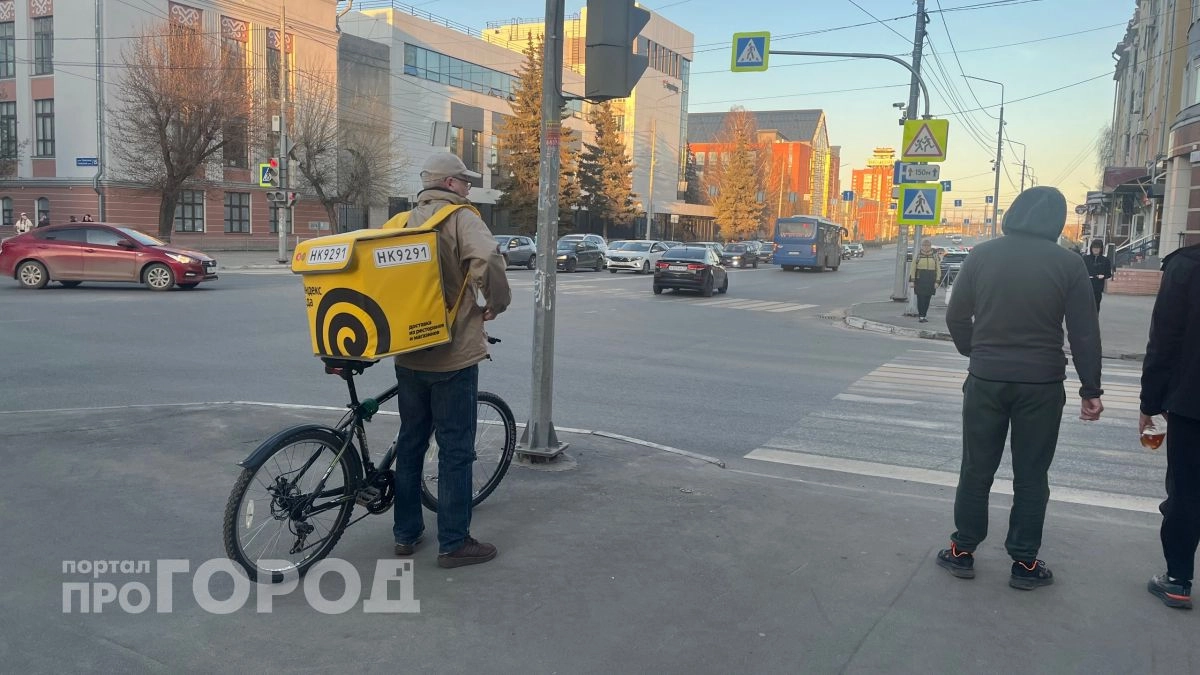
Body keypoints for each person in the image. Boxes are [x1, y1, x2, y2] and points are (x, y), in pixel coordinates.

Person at [937, 186, 1104, 590]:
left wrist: (975, 351)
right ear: (1056, 220)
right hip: (1042, 385)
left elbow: (957, 315)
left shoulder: (982, 255)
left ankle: (963, 551)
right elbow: (1084, 332)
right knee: (1031, 475)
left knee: (976, 468)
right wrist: (1090, 389)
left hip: (986, 380)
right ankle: (1024, 563)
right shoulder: (1069, 264)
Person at [391, 153, 511, 569]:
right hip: (452, 355)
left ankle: (405, 534)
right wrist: (496, 302)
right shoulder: (461, 219)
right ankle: (454, 542)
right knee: (456, 450)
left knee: (410, 442)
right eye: (464, 181)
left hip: (407, 352)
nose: (468, 188)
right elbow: (490, 260)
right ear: (448, 183)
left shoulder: (403, 222)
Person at [1140, 241, 1200, 609]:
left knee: (1187, 491)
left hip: (1192, 401)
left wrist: (1150, 403)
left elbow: (1164, 340)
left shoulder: (1187, 265)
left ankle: (1178, 579)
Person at [910, 238, 942, 323]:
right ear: (922, 246)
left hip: (931, 280)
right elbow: (913, 268)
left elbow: (938, 269)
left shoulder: (935, 256)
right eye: (924, 245)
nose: (926, 247)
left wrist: (937, 281)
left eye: (928, 245)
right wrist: (912, 281)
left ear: (930, 246)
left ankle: (924, 315)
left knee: (927, 298)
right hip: (920, 279)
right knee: (920, 298)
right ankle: (921, 316)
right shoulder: (918, 256)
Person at [1083, 238, 1112, 313]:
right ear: (1091, 248)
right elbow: (1080, 271)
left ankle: (1094, 322)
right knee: (1085, 306)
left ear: (1101, 249)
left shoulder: (1105, 260)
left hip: (1098, 288)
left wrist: (1103, 276)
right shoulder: (1085, 259)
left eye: (1098, 248)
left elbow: (1108, 274)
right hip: (1086, 287)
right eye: (1094, 247)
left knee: (1096, 306)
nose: (1095, 249)